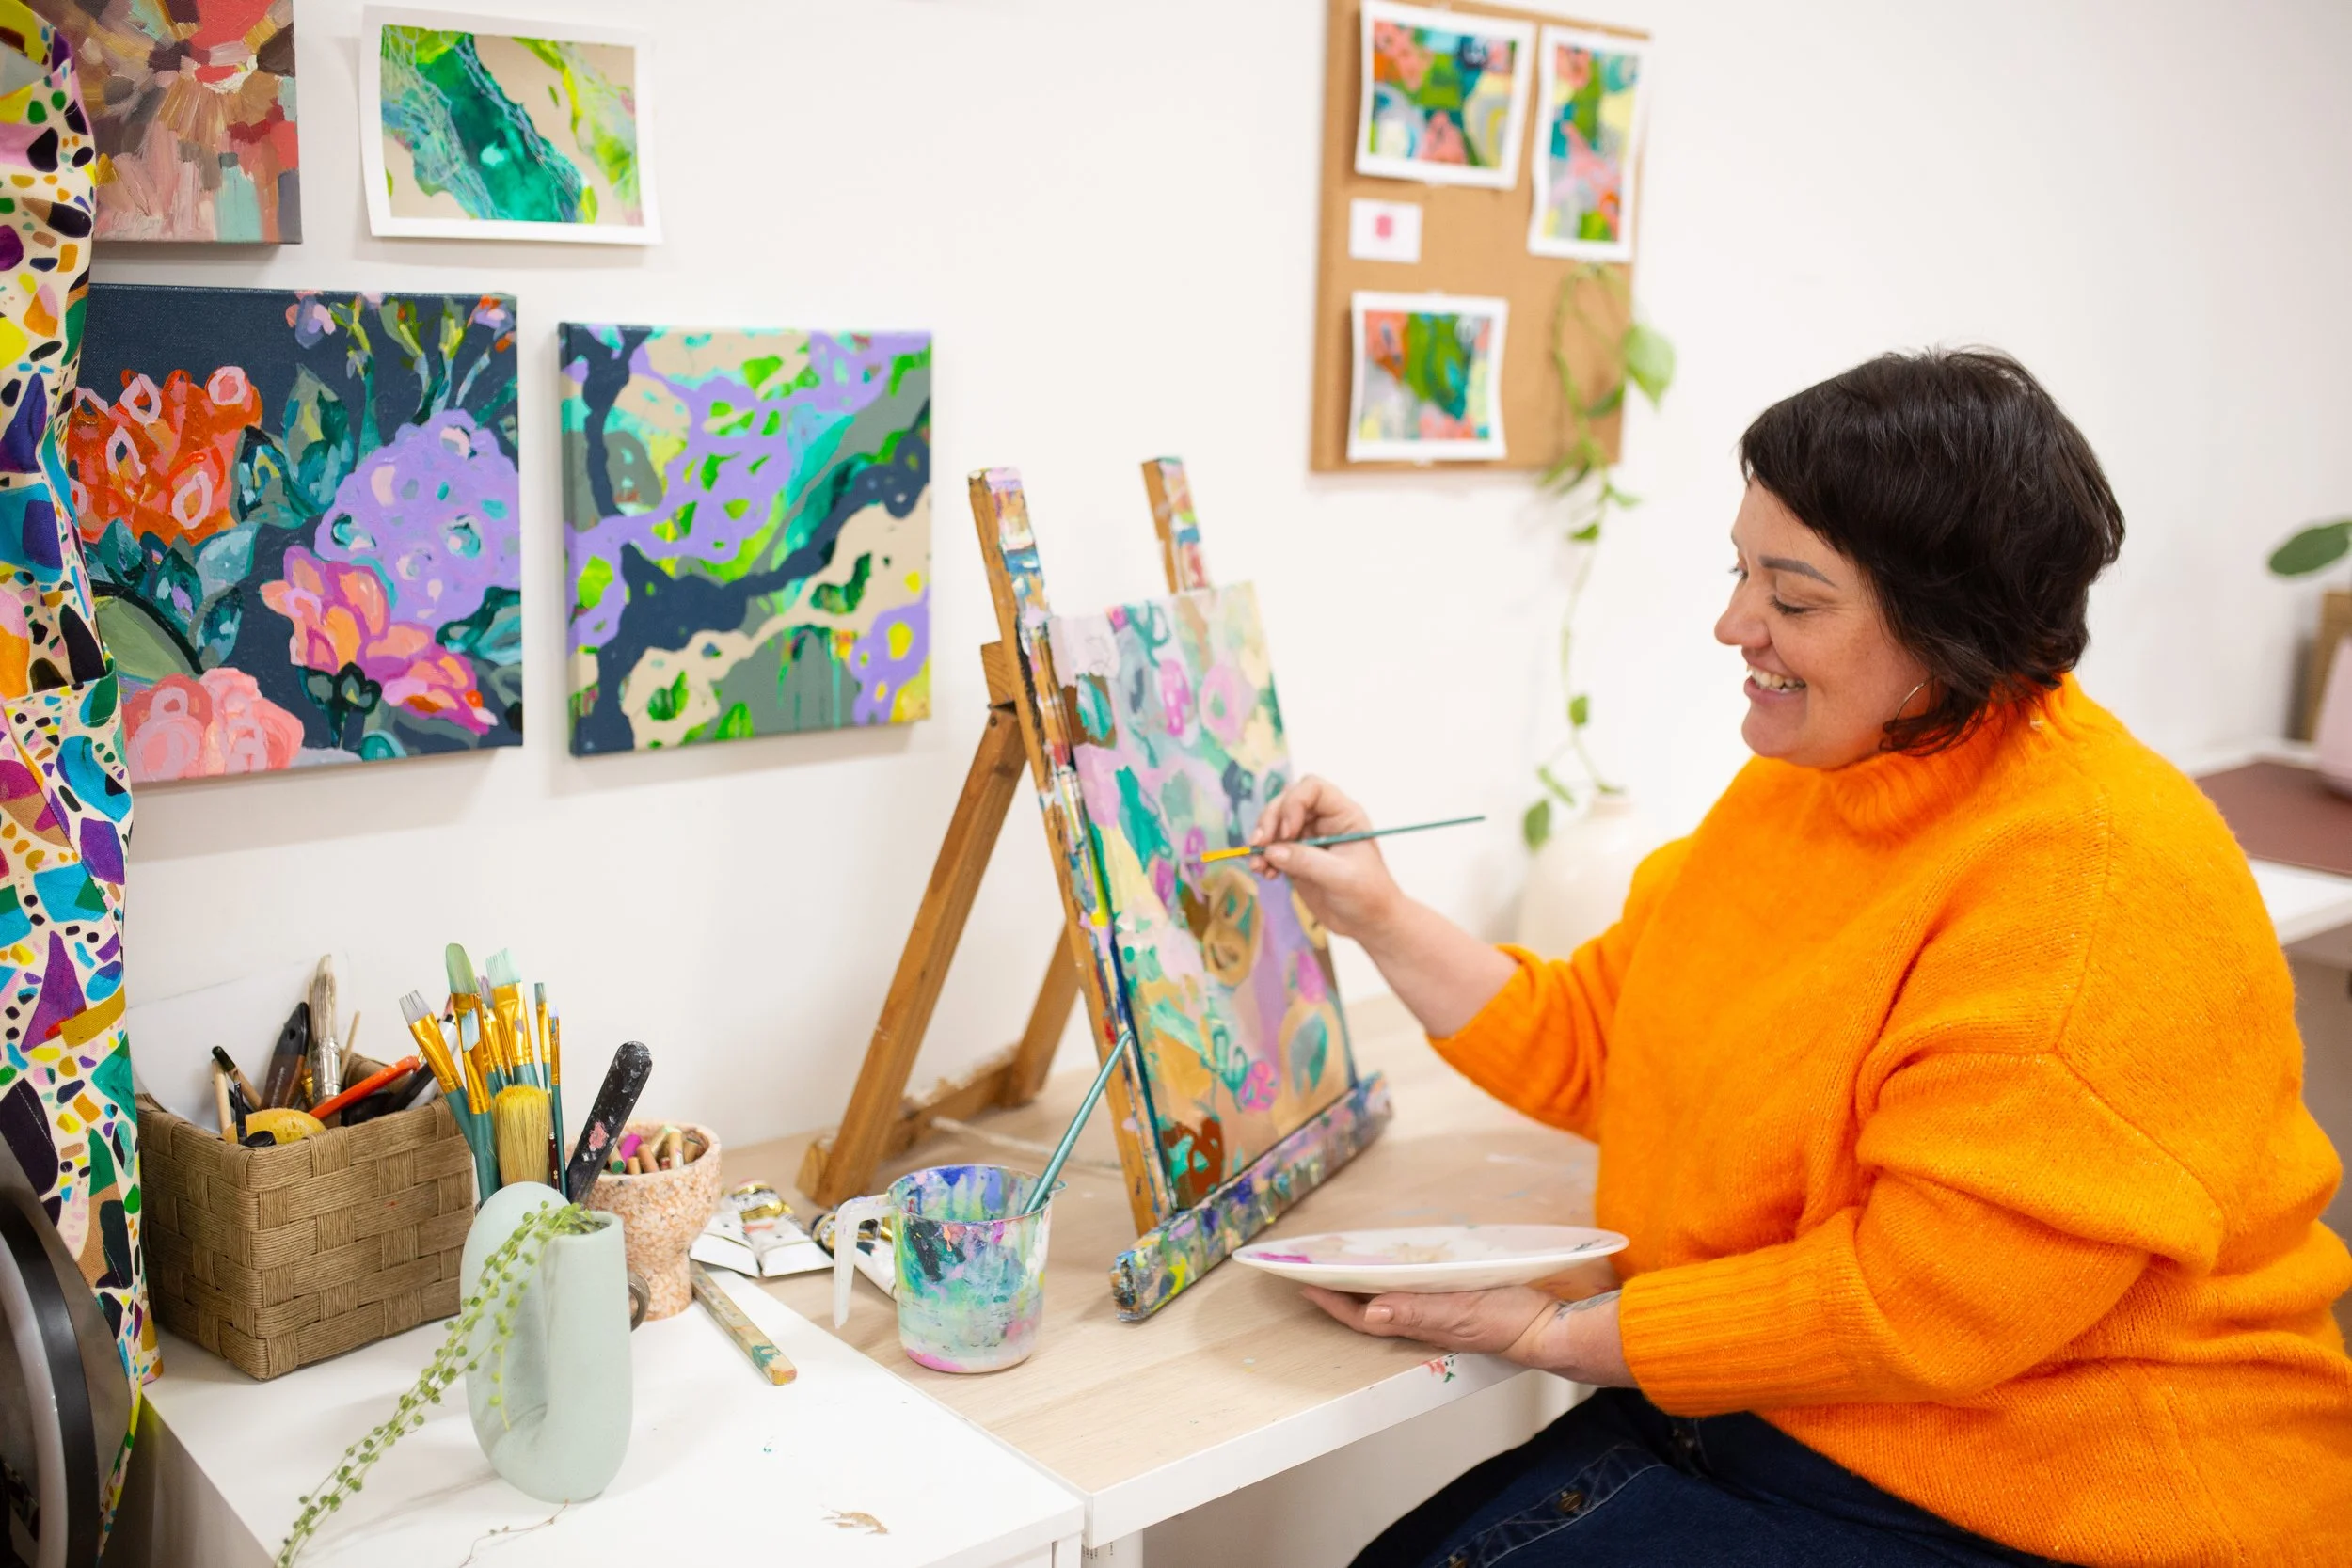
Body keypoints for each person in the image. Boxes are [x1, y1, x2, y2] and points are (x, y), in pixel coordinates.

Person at [1258, 350, 2352, 1567]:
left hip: (2063, 1492)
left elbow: (1921, 1301)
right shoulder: (1812, 782)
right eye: (1740, 572)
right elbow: (1614, 1041)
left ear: (1950, 628)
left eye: (1794, 596)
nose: (1735, 625)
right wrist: (1379, 912)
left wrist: (1560, 1332)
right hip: (1787, 1422)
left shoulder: (2095, 876)